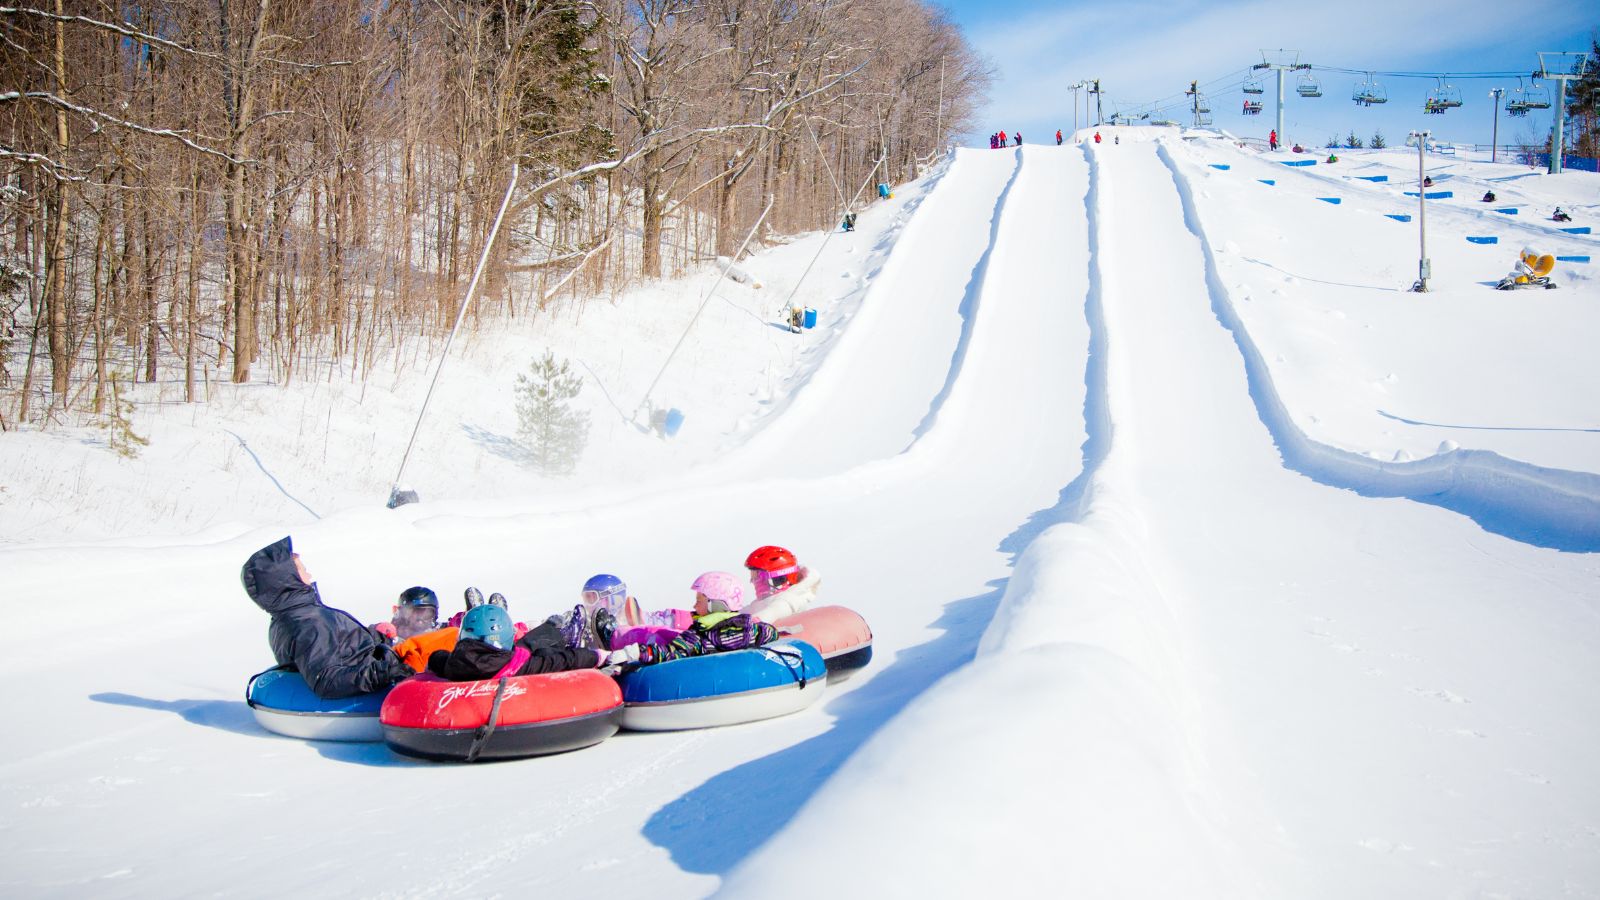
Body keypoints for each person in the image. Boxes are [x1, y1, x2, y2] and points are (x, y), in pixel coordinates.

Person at [241, 536, 412, 699]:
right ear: (288, 579)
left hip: (378, 659)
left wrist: (375, 634)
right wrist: (385, 672)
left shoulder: (295, 616)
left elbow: (338, 646)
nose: (309, 574)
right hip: (378, 674)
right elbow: (326, 680)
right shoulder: (308, 623)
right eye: (303, 569)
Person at [606, 572, 781, 667]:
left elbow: (672, 652)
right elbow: (770, 632)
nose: (695, 606)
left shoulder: (700, 635)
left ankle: (612, 636)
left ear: (716, 604)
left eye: (699, 601)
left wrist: (637, 653)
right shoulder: (749, 628)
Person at [426, 605, 600, 681]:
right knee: (542, 653)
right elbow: (560, 662)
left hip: (498, 660)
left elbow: (436, 657)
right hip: (509, 667)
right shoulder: (518, 667)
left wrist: (435, 661)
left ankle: (554, 629)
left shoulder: (453, 664)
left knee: (524, 647)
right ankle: (562, 635)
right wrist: (596, 656)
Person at [742, 544, 820, 621]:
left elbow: (773, 612)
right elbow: (747, 611)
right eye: (752, 574)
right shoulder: (763, 601)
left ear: (777, 579)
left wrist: (752, 621)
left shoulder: (791, 599)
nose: (753, 580)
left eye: (757, 575)